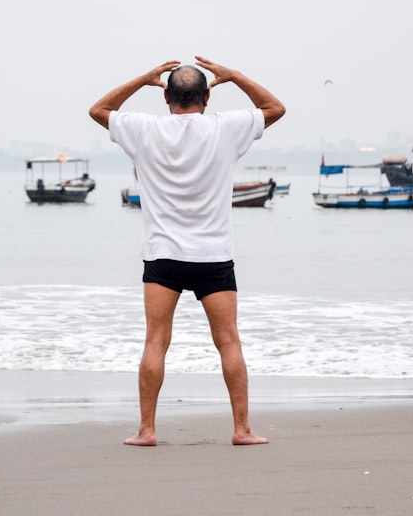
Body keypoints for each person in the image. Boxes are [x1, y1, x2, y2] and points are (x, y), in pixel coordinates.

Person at [89, 56, 285, 446]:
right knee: (228, 340)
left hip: (163, 256)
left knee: (155, 341)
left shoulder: (145, 130)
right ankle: (242, 430)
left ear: (167, 99)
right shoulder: (225, 129)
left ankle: (146, 431)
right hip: (213, 256)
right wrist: (236, 76)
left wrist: (142, 79)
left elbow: (99, 110)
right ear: (207, 97)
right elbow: (274, 108)